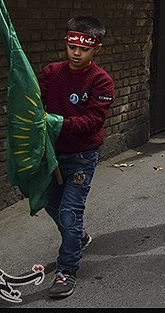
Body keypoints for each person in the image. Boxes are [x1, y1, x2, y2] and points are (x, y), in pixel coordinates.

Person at [41, 16, 114, 298]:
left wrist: (57, 122)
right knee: (50, 204)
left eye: (83, 49)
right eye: (72, 47)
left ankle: (67, 270)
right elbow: (35, 103)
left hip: (81, 156)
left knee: (70, 212)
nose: (76, 53)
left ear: (96, 48)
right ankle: (78, 236)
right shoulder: (51, 72)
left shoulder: (101, 81)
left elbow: (93, 121)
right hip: (52, 153)